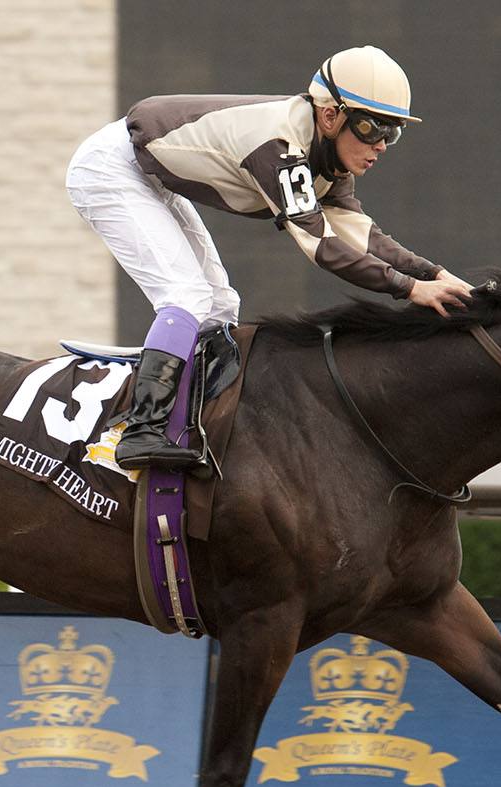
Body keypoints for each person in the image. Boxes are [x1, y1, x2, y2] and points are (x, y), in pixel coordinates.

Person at [66, 45, 474, 470]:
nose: (382, 145)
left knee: (221, 306)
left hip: (151, 175)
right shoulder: (281, 147)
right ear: (330, 115)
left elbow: (362, 236)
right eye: (372, 127)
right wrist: (411, 289)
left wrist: (436, 273)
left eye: (393, 133)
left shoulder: (327, 160)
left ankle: (187, 423)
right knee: (185, 295)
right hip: (113, 168)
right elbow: (324, 246)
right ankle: (140, 431)